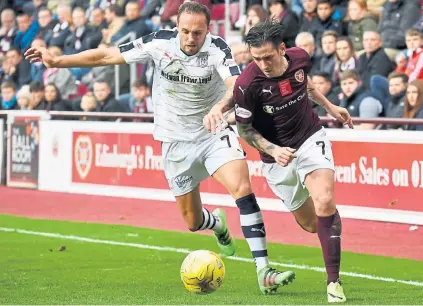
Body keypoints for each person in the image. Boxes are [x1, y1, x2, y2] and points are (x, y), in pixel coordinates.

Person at [25, 2, 295, 294]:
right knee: (192, 222)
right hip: (175, 142)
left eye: (199, 32)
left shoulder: (218, 48)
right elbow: (107, 55)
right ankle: (217, 224)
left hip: (212, 133)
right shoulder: (158, 43)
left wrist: (219, 107)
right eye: (186, 31)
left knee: (242, 189)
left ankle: (263, 270)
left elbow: (235, 83)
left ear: (208, 30)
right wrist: (58, 61)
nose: (192, 38)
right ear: (176, 27)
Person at [233, 19, 353, 303]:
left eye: (267, 56)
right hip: (276, 159)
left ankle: (333, 283)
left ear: (283, 49)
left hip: (310, 137)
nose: (262, 63)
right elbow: (245, 130)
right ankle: (329, 229)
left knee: (324, 201)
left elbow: (306, 84)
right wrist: (273, 150)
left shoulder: (300, 58)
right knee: (313, 224)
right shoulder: (247, 84)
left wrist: (331, 107)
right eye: (256, 58)